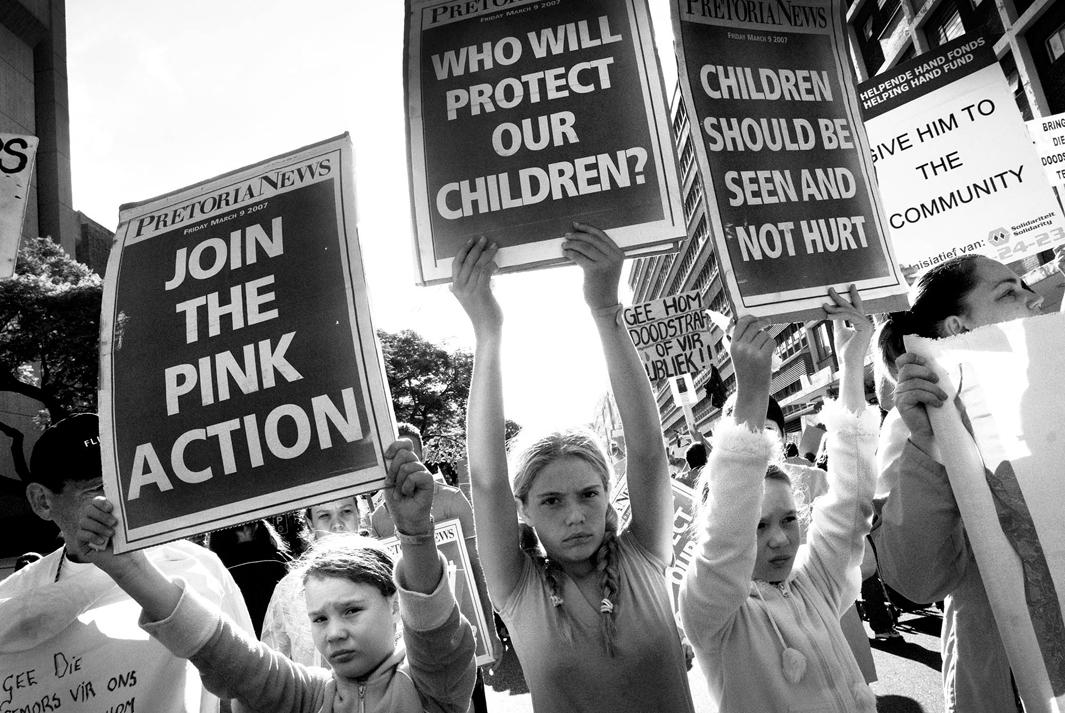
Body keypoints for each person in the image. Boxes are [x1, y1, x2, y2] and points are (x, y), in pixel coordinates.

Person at [453, 227, 696, 713]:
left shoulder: (645, 556)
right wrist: (487, 331)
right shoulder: (517, 589)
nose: (575, 515)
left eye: (589, 494)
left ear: (610, 494)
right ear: (522, 510)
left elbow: (648, 448)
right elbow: (487, 478)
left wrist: (606, 311)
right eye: (551, 500)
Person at [69, 438, 477, 713]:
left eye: (351, 610)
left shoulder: (431, 687)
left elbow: (434, 629)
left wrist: (415, 533)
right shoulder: (311, 696)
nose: (333, 633)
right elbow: (227, 655)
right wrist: (128, 567)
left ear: (394, 608)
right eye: (319, 618)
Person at [680, 287, 880, 713]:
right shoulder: (711, 611)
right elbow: (728, 521)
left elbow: (854, 498)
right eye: (758, 525)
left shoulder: (817, 579)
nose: (779, 540)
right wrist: (752, 390)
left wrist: (850, 363)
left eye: (788, 520)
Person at [872, 254, 1048, 713]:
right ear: (956, 328)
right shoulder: (926, 423)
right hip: (1006, 680)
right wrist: (929, 446)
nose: (1032, 299)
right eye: (1008, 292)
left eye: (1025, 285)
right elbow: (918, 579)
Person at [0, 413, 253, 713]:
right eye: (96, 489)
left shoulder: (195, 566)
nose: (116, 500)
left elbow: (246, 686)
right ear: (42, 501)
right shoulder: (13, 601)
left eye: (126, 480)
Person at [371, 422, 501, 713]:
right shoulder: (380, 517)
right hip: (417, 649)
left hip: (464, 635)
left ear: (423, 452)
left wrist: (490, 631)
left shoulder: (453, 500)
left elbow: (476, 566)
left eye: (410, 453)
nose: (402, 465)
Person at [261, 495, 366, 666]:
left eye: (346, 511)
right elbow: (271, 663)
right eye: (324, 516)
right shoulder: (289, 591)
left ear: (359, 516)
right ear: (310, 524)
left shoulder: (389, 576)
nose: (337, 524)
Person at [208, 519, 292, 637]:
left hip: (239, 647)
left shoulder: (213, 572)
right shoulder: (282, 561)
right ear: (254, 528)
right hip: (281, 643)